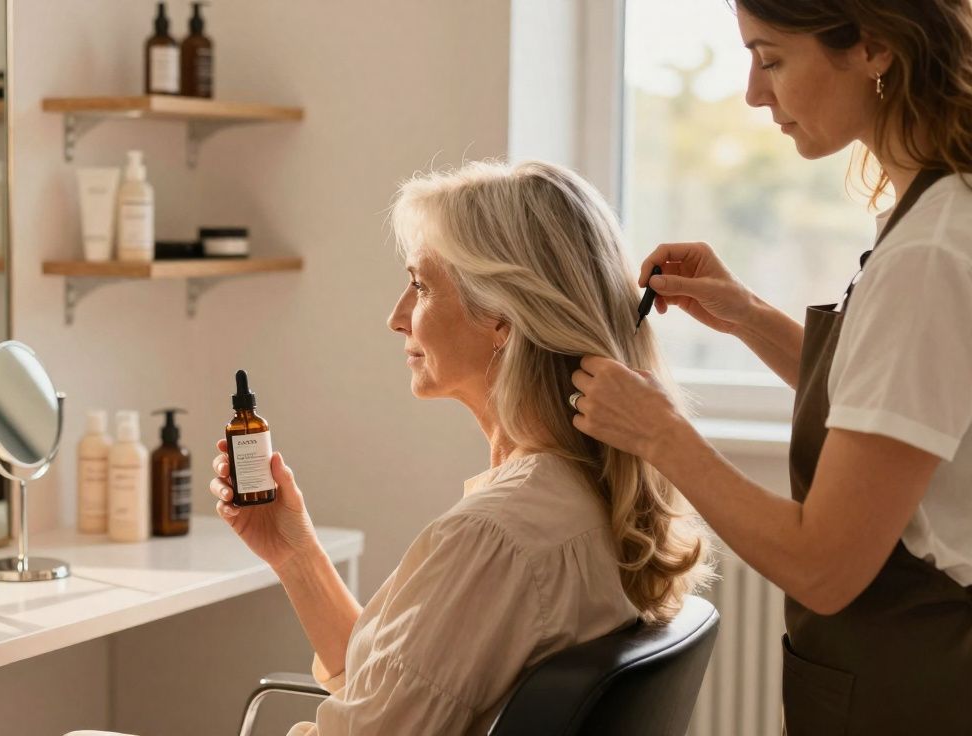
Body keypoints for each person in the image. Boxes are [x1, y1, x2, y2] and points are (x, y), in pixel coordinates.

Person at [568, 2, 972, 733]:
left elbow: (824, 564)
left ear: (874, 47)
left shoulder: (930, 254)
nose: (755, 93)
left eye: (772, 57)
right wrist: (747, 316)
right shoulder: (932, 212)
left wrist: (661, 435)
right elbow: (895, 406)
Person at [209, 160, 712, 734]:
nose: (397, 317)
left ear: (503, 318)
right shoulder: (587, 496)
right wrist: (294, 553)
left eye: (420, 286)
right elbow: (403, 693)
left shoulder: (495, 538)